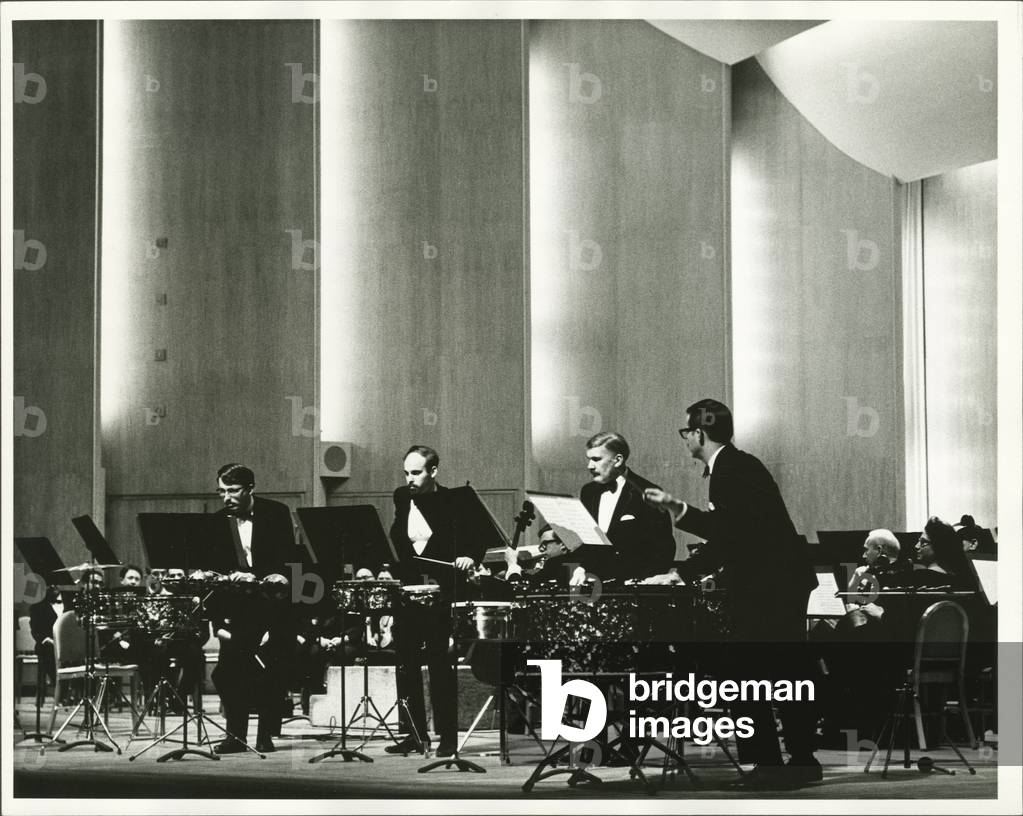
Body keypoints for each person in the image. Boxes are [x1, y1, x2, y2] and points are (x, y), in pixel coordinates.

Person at [643, 399, 821, 790]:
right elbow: (730, 530)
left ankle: (769, 765)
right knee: (786, 673)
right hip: (782, 582)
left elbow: (728, 537)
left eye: (686, 432)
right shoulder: (739, 465)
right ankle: (803, 761)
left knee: (745, 673)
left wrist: (682, 569)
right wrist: (676, 511)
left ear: (699, 433)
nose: (684, 440)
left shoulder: (729, 471)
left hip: (767, 587)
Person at [384, 445, 484, 758]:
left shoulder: (454, 500)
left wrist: (469, 556)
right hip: (409, 593)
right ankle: (415, 734)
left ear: (434, 471)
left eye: (416, 473)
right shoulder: (402, 496)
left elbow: (477, 536)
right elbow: (401, 541)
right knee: (406, 665)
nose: (409, 479)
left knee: (441, 666)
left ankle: (447, 737)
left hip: (442, 593)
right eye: (406, 473)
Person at [209, 463, 294, 754]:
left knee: (270, 670)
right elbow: (215, 568)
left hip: (271, 603)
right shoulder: (218, 520)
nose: (226, 497)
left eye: (233, 490)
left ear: (250, 489)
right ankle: (236, 736)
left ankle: (265, 735)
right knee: (226, 672)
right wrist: (218, 622)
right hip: (237, 607)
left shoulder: (276, 512)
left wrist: (274, 576)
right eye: (221, 491)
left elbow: (287, 558)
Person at [576, 431, 675, 582]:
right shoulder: (588, 492)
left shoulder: (647, 492)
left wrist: (643, 583)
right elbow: (588, 543)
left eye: (596, 459)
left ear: (618, 460)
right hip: (595, 585)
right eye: (589, 459)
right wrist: (582, 568)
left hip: (633, 588)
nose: (590, 466)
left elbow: (664, 549)